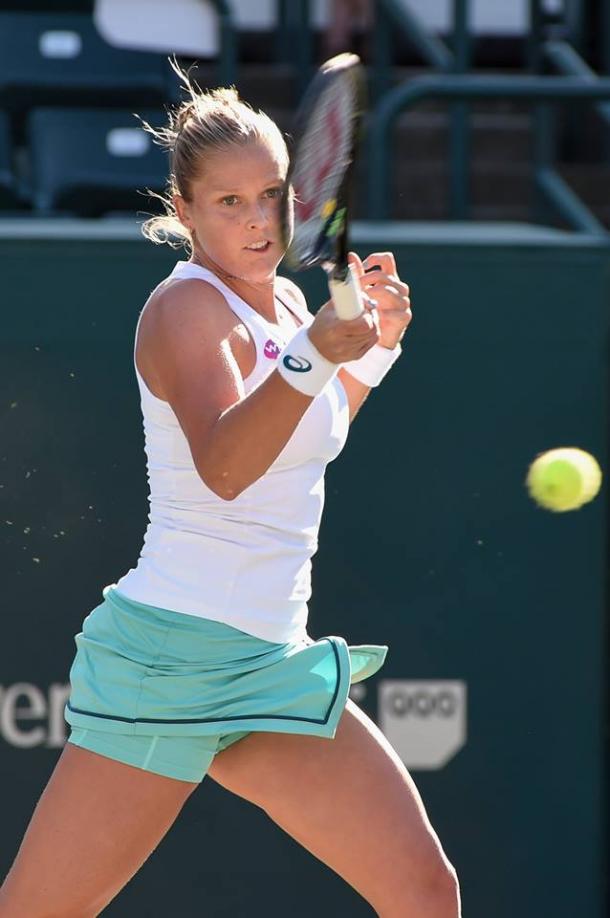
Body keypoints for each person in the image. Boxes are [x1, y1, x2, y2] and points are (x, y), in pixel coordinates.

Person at [0, 64, 461, 918]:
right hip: (172, 660)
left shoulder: (290, 301)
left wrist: (373, 351)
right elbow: (226, 466)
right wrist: (316, 351)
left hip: (270, 663)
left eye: (275, 194)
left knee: (424, 893)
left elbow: (306, 433)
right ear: (184, 211)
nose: (259, 220)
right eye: (228, 202)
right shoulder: (183, 313)